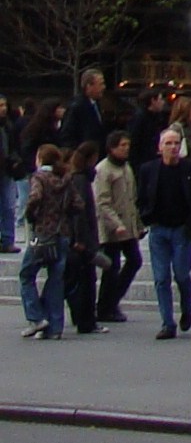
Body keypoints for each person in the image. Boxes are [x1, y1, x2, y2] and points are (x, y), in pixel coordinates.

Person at [138, 128, 191, 339]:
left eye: (176, 143)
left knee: (182, 274)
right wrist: (145, 217)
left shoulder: (190, 169)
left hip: (181, 229)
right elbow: (142, 196)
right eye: (168, 143)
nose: (173, 147)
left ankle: (187, 306)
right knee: (161, 278)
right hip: (158, 229)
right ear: (160, 147)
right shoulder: (148, 170)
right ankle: (167, 322)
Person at [20, 143, 80, 339]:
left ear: (39, 159)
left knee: (27, 274)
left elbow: (35, 197)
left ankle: (36, 317)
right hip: (62, 233)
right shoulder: (65, 179)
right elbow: (78, 204)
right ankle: (55, 327)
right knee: (55, 279)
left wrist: (30, 215)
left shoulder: (39, 177)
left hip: (43, 233)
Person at [94, 130, 143, 322]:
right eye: (122, 145)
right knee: (111, 267)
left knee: (134, 261)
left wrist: (137, 224)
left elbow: (132, 198)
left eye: (128, 145)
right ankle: (105, 306)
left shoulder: (126, 167)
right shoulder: (104, 170)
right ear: (112, 147)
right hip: (112, 227)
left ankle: (112, 300)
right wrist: (115, 223)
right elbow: (102, 201)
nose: (126, 149)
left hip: (128, 224)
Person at [63, 142, 103, 334]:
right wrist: (80, 239)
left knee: (83, 279)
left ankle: (85, 318)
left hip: (82, 237)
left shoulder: (78, 178)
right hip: (82, 240)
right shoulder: (80, 180)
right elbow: (80, 212)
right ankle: (86, 320)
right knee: (85, 280)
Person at [59, 69, 107, 152]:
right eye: (101, 84)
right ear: (89, 86)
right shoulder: (77, 106)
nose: (104, 87)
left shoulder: (96, 104)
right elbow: (67, 135)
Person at [0, 95, 18, 252]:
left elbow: (13, 147)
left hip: (6, 170)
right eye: (0, 106)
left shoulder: (8, 126)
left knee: (9, 206)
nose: (4, 109)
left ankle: (7, 240)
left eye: (5, 105)